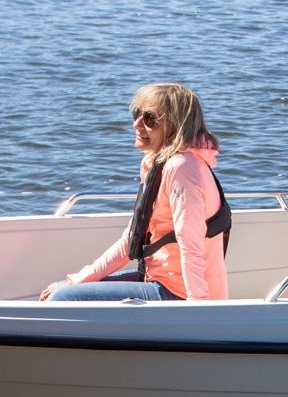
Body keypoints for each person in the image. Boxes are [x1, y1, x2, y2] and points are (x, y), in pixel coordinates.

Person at [41, 83, 230, 302]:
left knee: (64, 300)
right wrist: (79, 279)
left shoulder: (182, 169)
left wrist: (197, 310)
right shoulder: (157, 163)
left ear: (174, 126)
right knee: (64, 291)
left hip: (180, 293)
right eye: (136, 114)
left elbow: (191, 245)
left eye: (149, 119)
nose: (136, 124)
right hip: (157, 279)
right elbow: (129, 240)